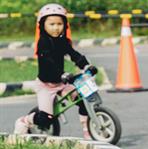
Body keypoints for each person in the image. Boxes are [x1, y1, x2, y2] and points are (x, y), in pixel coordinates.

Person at [14, 3, 96, 139]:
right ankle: (25, 120)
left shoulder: (62, 41)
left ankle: (88, 131)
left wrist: (86, 66)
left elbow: (74, 54)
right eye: (52, 24)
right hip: (46, 85)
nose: (56, 28)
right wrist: (61, 74)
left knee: (82, 98)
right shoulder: (43, 43)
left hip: (60, 83)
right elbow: (48, 62)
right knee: (46, 118)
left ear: (65, 25)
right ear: (43, 25)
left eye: (60, 24)